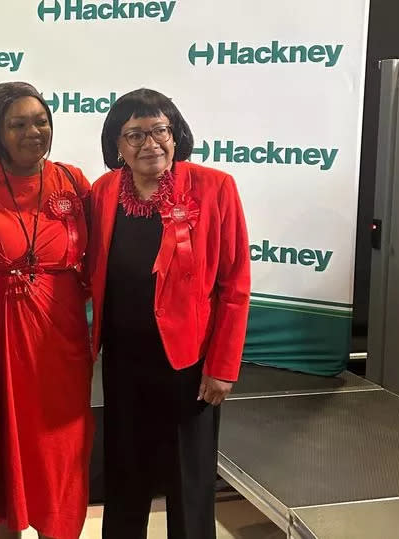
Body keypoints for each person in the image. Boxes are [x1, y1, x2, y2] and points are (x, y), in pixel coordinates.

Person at [86, 88, 251, 539]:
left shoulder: (214, 187)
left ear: (176, 134)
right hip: (123, 361)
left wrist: (222, 367)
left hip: (190, 362)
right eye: (134, 135)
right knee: (124, 473)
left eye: (159, 130)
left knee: (189, 480)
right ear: (116, 145)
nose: (150, 144)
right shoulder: (102, 194)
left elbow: (235, 285)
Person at [0, 81, 94, 539]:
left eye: (41, 120)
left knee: (60, 446)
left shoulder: (73, 181)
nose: (34, 131)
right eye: (18, 124)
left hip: (62, 340)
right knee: (2, 443)